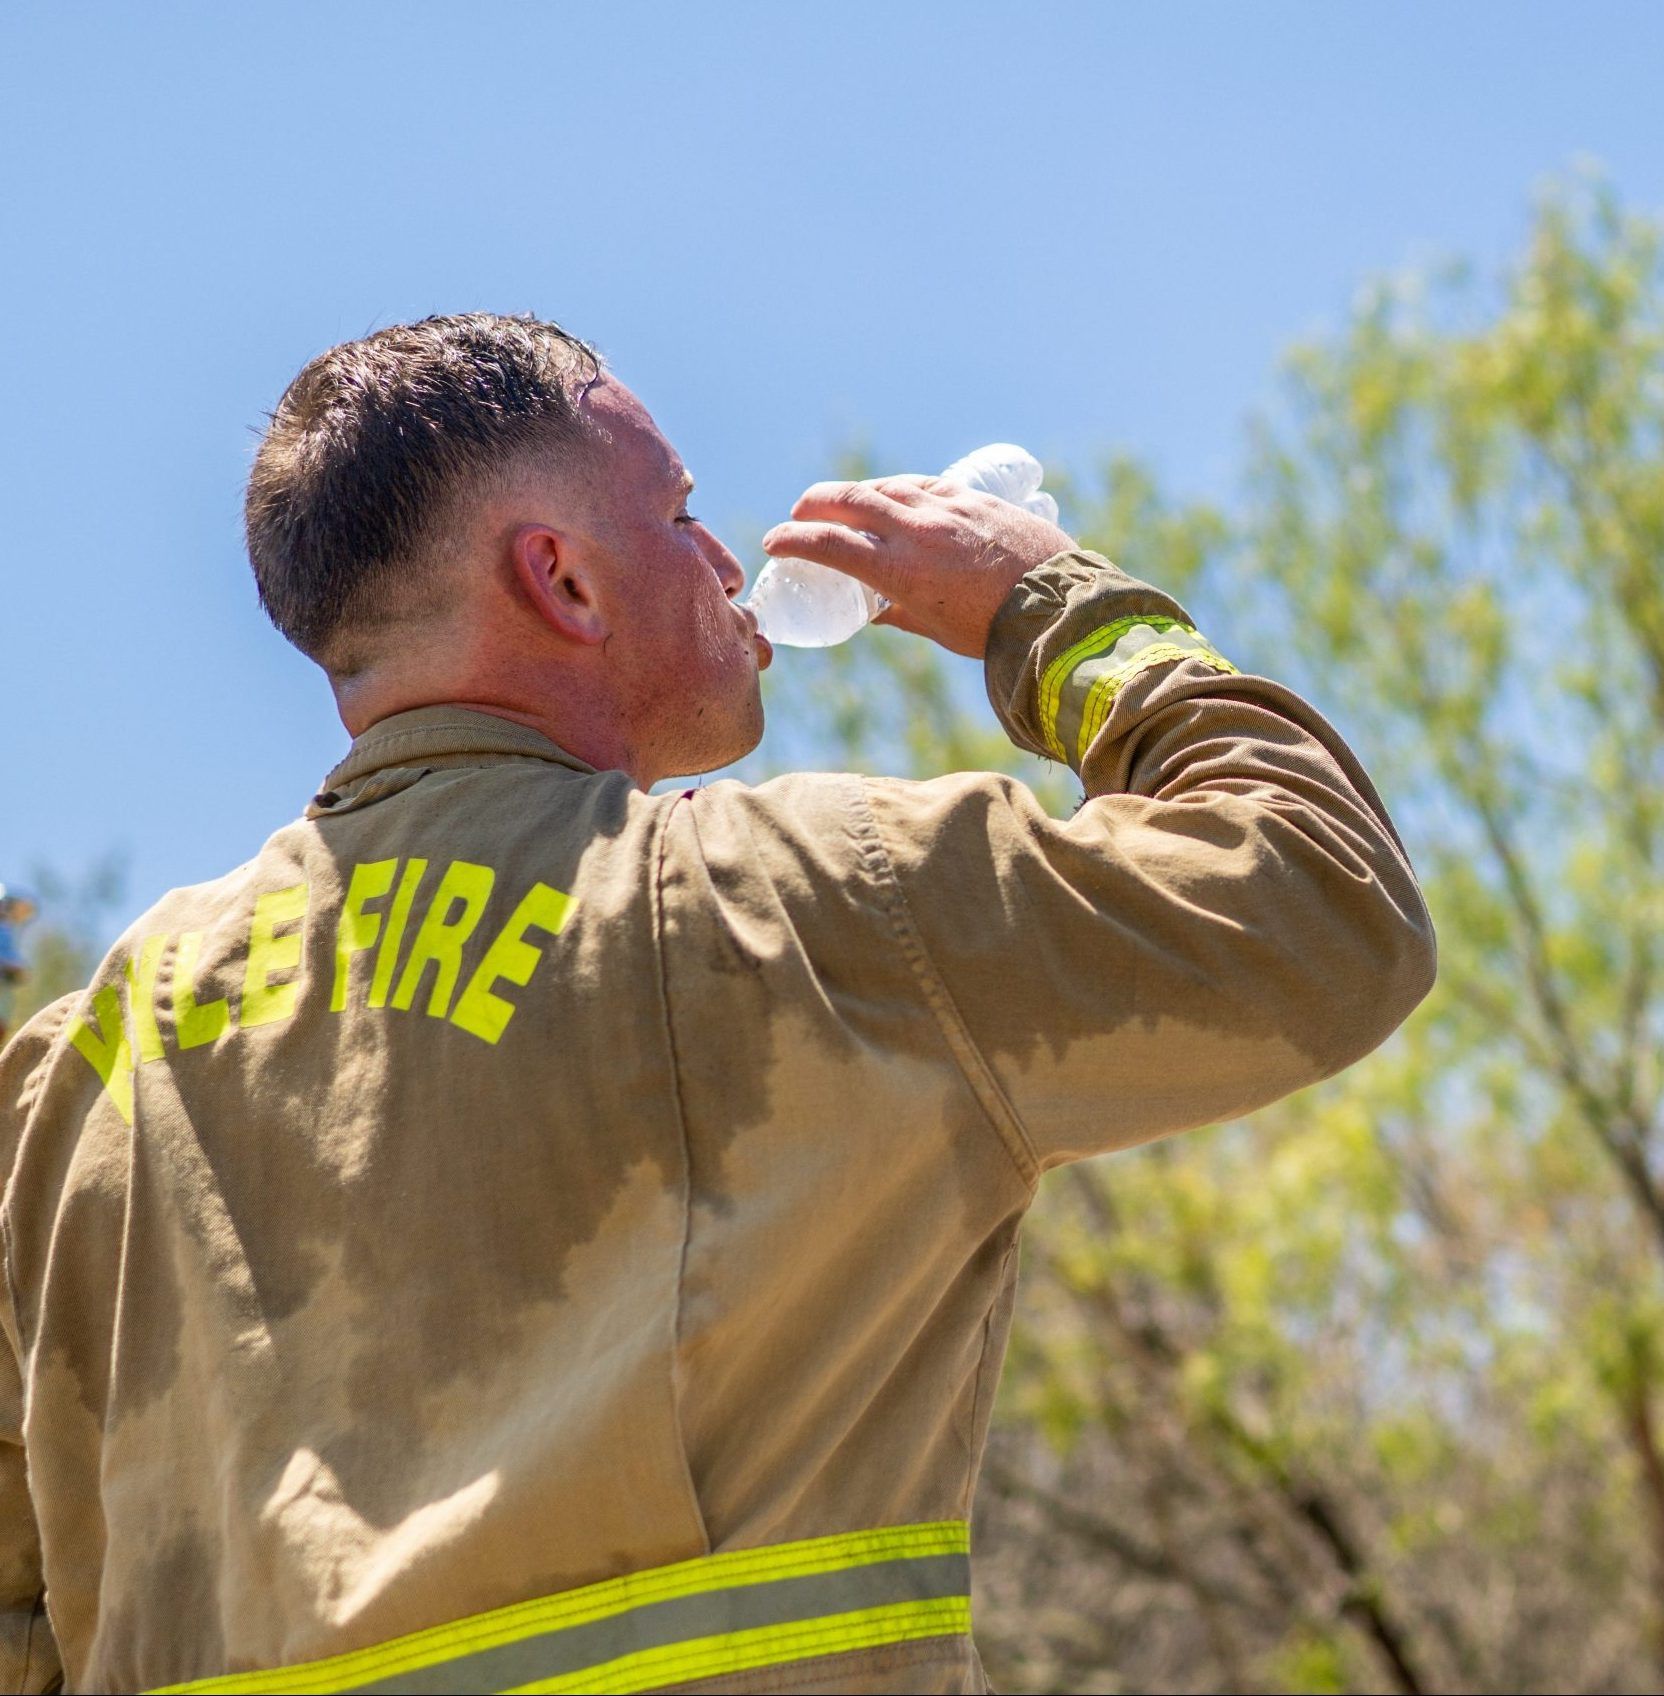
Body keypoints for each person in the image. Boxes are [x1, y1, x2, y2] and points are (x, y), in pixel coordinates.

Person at [0, 314, 1434, 1694]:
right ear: (564, 583)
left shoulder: (76, 1072)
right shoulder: (803, 902)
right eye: (682, 515)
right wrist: (1045, 605)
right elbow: (1319, 905)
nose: (725, 559)